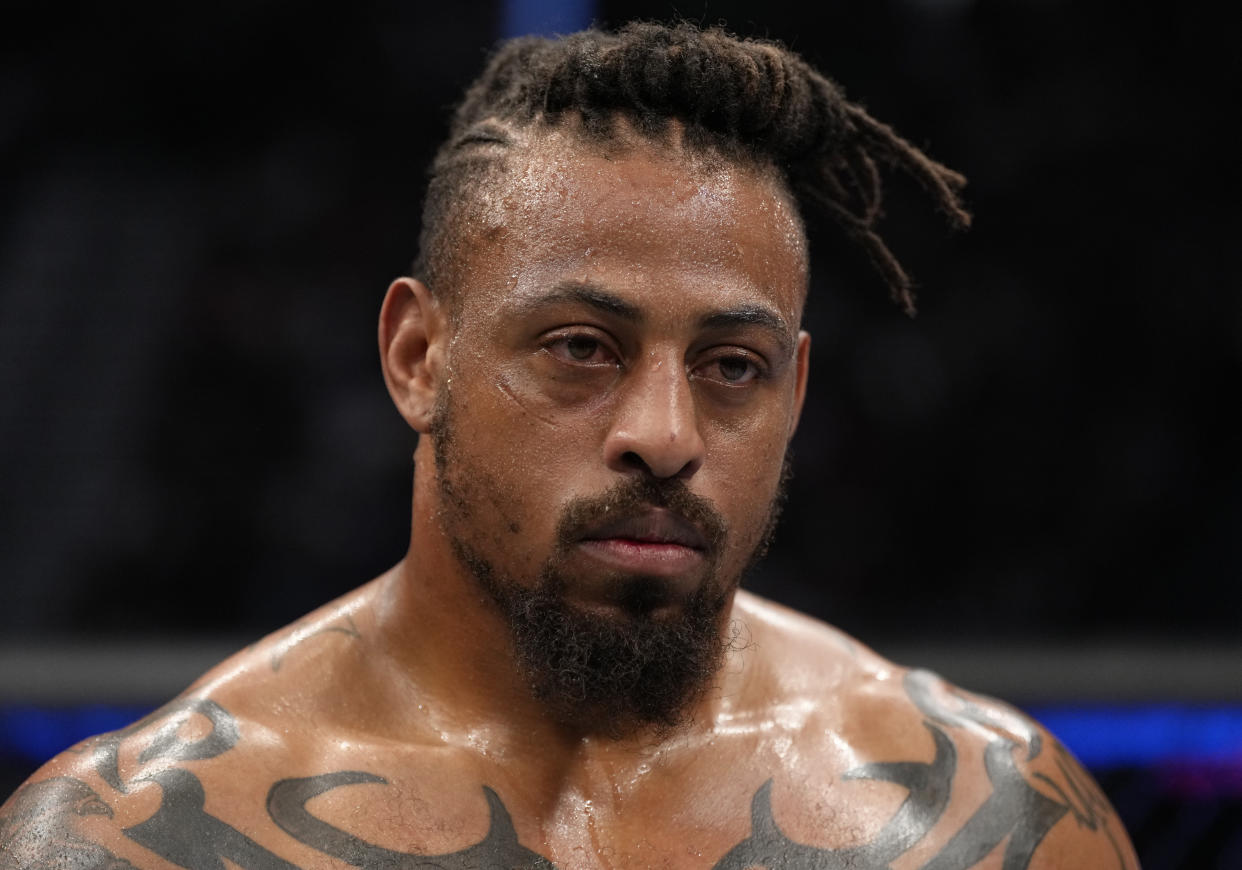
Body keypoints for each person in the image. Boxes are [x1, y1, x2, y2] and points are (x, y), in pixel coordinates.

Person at [0, 22, 1138, 870]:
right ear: (416, 358)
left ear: (794, 393)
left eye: (730, 366)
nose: (664, 436)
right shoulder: (138, 843)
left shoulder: (990, 825)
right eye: (581, 348)